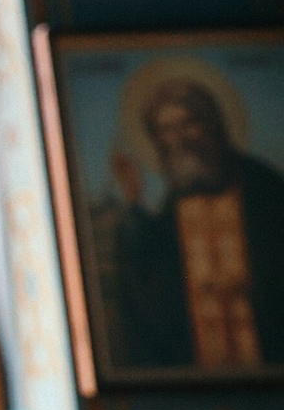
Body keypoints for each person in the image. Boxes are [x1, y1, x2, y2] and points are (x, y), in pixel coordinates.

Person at [104, 68, 284, 370]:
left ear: (212, 125)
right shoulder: (175, 204)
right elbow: (153, 276)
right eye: (166, 129)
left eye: (188, 123)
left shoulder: (264, 186)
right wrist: (133, 201)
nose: (179, 138)